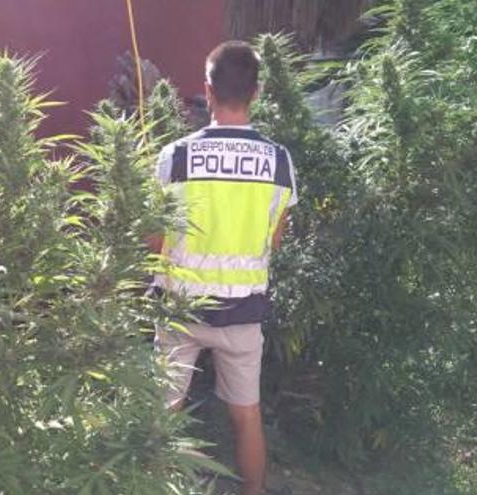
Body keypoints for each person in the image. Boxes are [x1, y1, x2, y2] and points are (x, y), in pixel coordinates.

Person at [150, 41, 298, 495]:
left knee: (160, 415)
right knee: (246, 416)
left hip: (180, 310)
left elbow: (154, 240)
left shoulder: (174, 156)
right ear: (256, 93)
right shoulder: (278, 161)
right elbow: (275, 239)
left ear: (207, 91)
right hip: (243, 312)